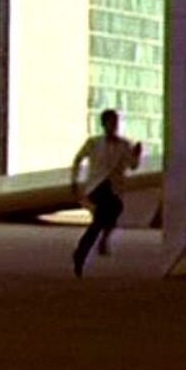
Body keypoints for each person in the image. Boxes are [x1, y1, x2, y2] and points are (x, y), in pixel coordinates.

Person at [69, 109, 142, 277]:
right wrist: (74, 181)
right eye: (110, 122)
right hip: (97, 187)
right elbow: (78, 159)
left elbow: (132, 166)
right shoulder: (94, 143)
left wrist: (136, 155)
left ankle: (83, 251)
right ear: (104, 124)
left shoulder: (124, 145)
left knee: (104, 218)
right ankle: (89, 248)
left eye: (115, 122)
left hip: (114, 188)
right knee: (106, 214)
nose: (113, 126)